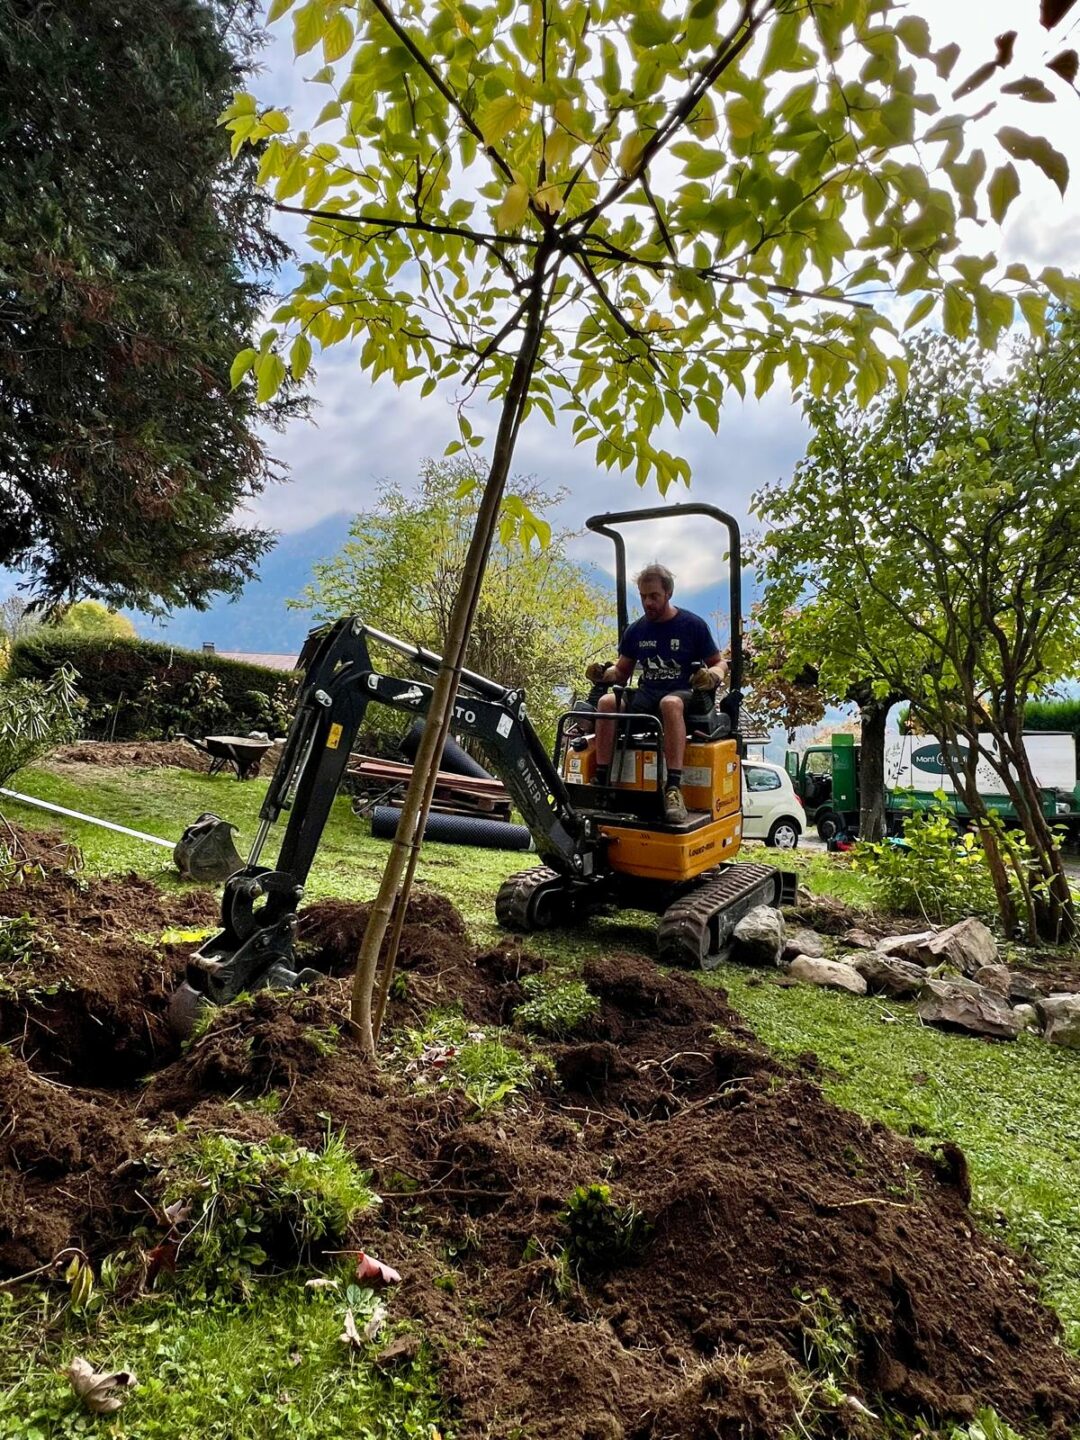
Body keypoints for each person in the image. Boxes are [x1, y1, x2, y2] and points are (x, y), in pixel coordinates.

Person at [585, 563, 726, 824]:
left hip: (683, 695)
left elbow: (720, 662)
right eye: (643, 596)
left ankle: (673, 788)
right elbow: (622, 671)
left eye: (654, 596)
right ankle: (602, 782)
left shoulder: (692, 625)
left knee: (670, 703)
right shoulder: (637, 630)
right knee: (606, 701)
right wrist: (602, 674)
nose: (647, 602)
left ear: (668, 593)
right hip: (647, 696)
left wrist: (712, 676)